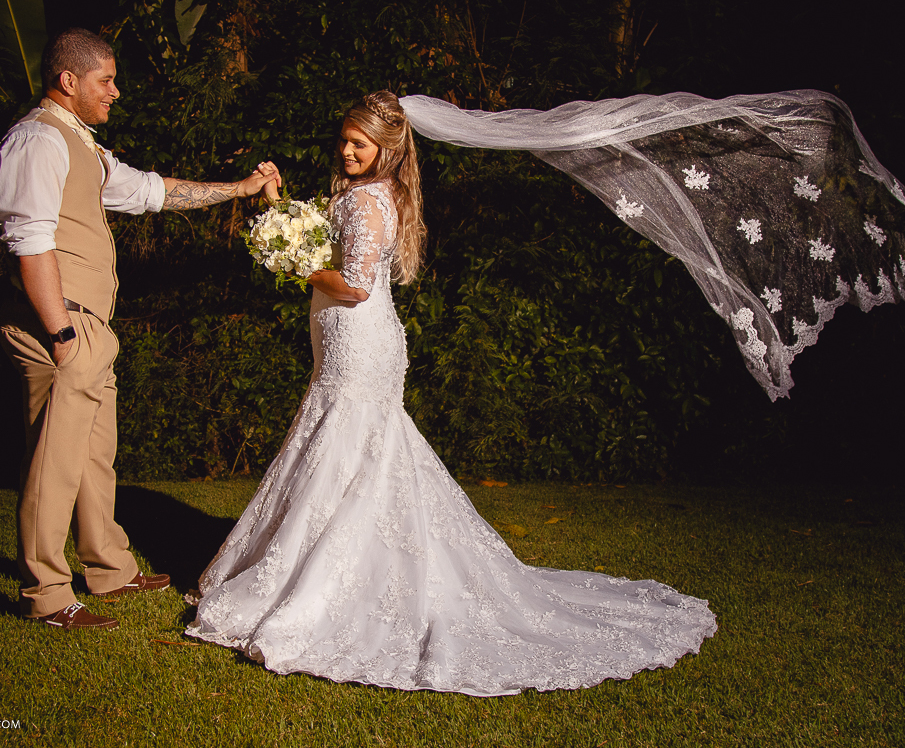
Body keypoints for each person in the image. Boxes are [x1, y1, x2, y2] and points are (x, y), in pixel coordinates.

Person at [183, 92, 717, 695]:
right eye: (345, 140)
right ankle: (337, 564)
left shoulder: (365, 199)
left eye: (361, 143)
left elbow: (352, 285)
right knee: (353, 451)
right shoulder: (372, 196)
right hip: (356, 343)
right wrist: (279, 209)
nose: (348, 150)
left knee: (349, 446)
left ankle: (330, 581)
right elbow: (330, 251)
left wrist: (286, 262)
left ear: (387, 149)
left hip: (358, 341)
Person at [0, 27, 280, 630]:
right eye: (106, 80)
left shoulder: (84, 147)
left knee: (96, 455)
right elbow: (29, 241)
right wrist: (63, 335)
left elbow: (154, 192)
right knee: (55, 462)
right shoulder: (37, 141)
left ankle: (109, 568)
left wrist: (241, 189)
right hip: (61, 327)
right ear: (68, 81)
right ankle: (46, 594)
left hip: (88, 328)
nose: (116, 91)